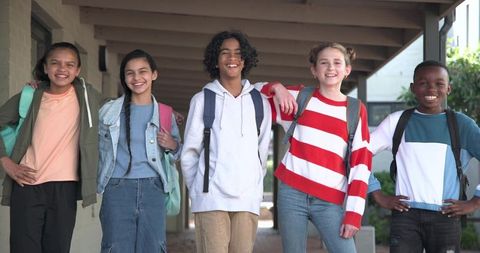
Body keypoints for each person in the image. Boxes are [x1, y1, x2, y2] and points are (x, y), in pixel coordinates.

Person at [181, 30, 296, 253]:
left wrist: (253, 185)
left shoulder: (259, 102)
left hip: (247, 200)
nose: (232, 58)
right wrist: (199, 191)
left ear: (245, 61)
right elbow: (190, 153)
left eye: (238, 53)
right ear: (216, 60)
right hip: (211, 199)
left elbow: (262, 152)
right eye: (225, 53)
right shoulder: (202, 99)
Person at [259, 42, 372, 253]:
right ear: (314, 70)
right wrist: (277, 87)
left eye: (337, 63)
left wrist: (354, 214)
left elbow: (361, 165)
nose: (330, 68)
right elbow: (254, 94)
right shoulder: (301, 98)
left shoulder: (355, 110)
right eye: (324, 63)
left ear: (347, 70)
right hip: (292, 194)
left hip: (330, 201)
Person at [0, 42, 103, 253]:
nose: (62, 69)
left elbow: (123, 106)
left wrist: (167, 115)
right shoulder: (30, 96)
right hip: (27, 185)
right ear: (45, 68)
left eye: (69, 64)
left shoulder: (88, 98)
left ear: (77, 70)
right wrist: (6, 162)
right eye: (55, 63)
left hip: (64, 189)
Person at [368, 60, 480, 253]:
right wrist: (377, 193)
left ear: (449, 88)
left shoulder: (461, 125)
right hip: (405, 217)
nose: (431, 88)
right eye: (423, 83)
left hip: (446, 216)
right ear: (413, 87)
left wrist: (475, 202)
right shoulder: (397, 122)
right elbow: (358, 154)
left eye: (439, 83)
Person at [97, 49, 181, 253]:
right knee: (114, 247)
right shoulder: (108, 111)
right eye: (130, 73)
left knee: (153, 247)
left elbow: (177, 152)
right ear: (124, 78)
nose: (136, 78)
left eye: (142, 71)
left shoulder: (165, 113)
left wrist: (173, 144)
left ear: (154, 74)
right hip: (117, 187)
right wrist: (40, 85)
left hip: (153, 188)